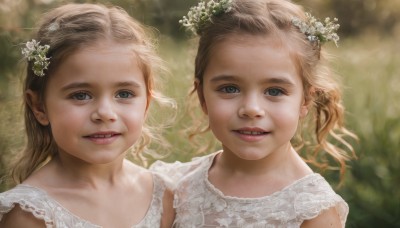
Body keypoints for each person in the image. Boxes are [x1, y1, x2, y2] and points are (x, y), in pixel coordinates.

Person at [151, 0, 357, 227]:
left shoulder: (313, 211)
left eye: (274, 91)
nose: (251, 109)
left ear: (305, 100)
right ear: (202, 96)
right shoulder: (176, 187)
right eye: (229, 88)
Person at [0, 3, 175, 228]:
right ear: (39, 107)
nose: (105, 113)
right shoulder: (31, 215)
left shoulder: (163, 195)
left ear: (146, 103)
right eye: (81, 95)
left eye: (124, 93)